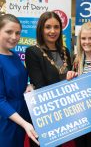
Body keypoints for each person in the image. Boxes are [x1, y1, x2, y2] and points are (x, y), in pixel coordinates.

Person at [25, 11, 72, 146]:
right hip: (45, 114)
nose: (53, 31)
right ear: (41, 29)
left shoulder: (65, 51)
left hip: (64, 112)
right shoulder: (33, 52)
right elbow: (39, 86)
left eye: (56, 27)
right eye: (48, 27)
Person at [0, 14, 39, 147]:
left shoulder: (14, 55)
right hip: (6, 119)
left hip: (21, 116)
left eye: (18, 33)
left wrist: (29, 85)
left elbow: (17, 80)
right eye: (9, 32)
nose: (14, 37)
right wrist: (23, 123)